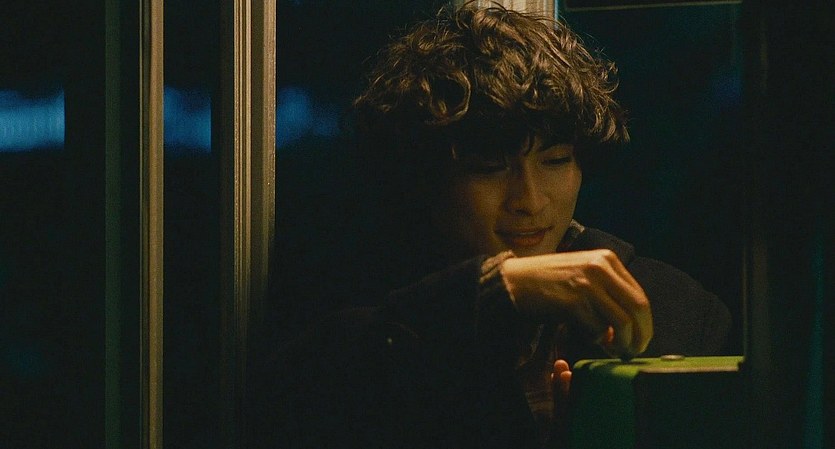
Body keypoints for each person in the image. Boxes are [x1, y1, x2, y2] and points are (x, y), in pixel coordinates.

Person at [249, 3, 731, 448]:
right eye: (488, 168)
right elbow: (296, 395)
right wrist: (494, 290)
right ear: (424, 176)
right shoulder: (358, 306)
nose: (530, 200)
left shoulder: (671, 306)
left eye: (556, 160)